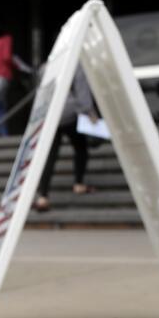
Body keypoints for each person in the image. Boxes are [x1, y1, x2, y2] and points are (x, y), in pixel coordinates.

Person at [34, 66, 97, 212]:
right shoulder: (76, 64)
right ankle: (78, 183)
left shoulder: (47, 67)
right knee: (81, 147)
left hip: (50, 115)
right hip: (69, 113)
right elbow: (82, 93)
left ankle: (43, 196)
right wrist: (89, 113)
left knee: (49, 155)